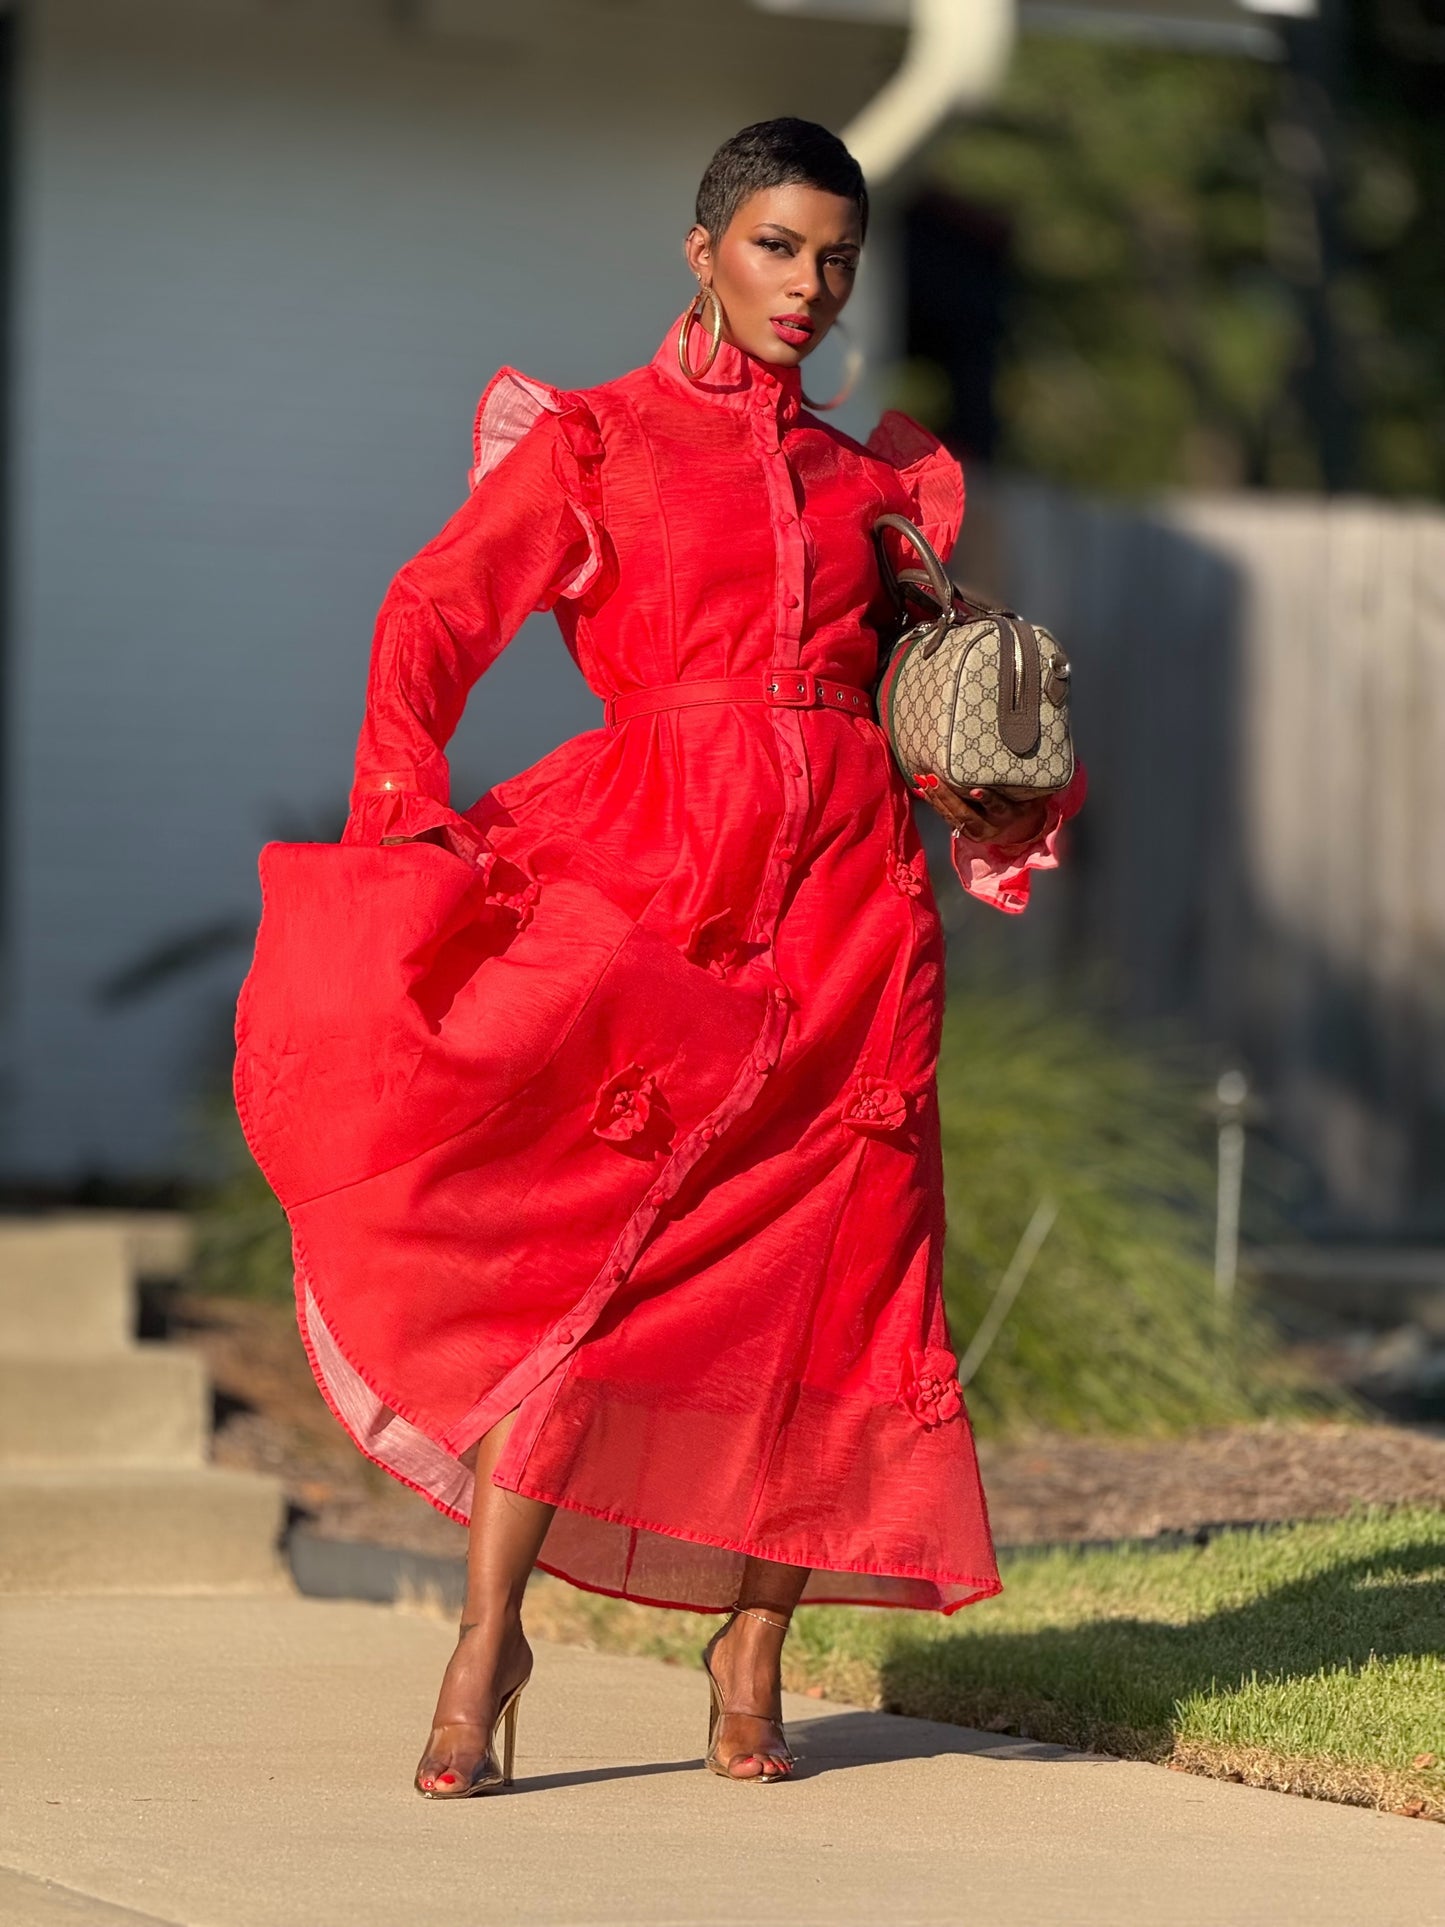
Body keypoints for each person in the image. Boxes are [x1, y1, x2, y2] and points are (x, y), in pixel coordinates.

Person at [234, 117, 1086, 1799]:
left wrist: (1000, 770)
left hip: (851, 908)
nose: (808, 285)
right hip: (654, 878)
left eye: (834, 258)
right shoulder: (597, 443)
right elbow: (431, 612)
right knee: (592, 1273)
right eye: (776, 246)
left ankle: (752, 1649)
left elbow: (947, 705)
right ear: (701, 249)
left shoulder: (869, 489)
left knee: (836, 1283)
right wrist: (401, 808)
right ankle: (491, 1637)